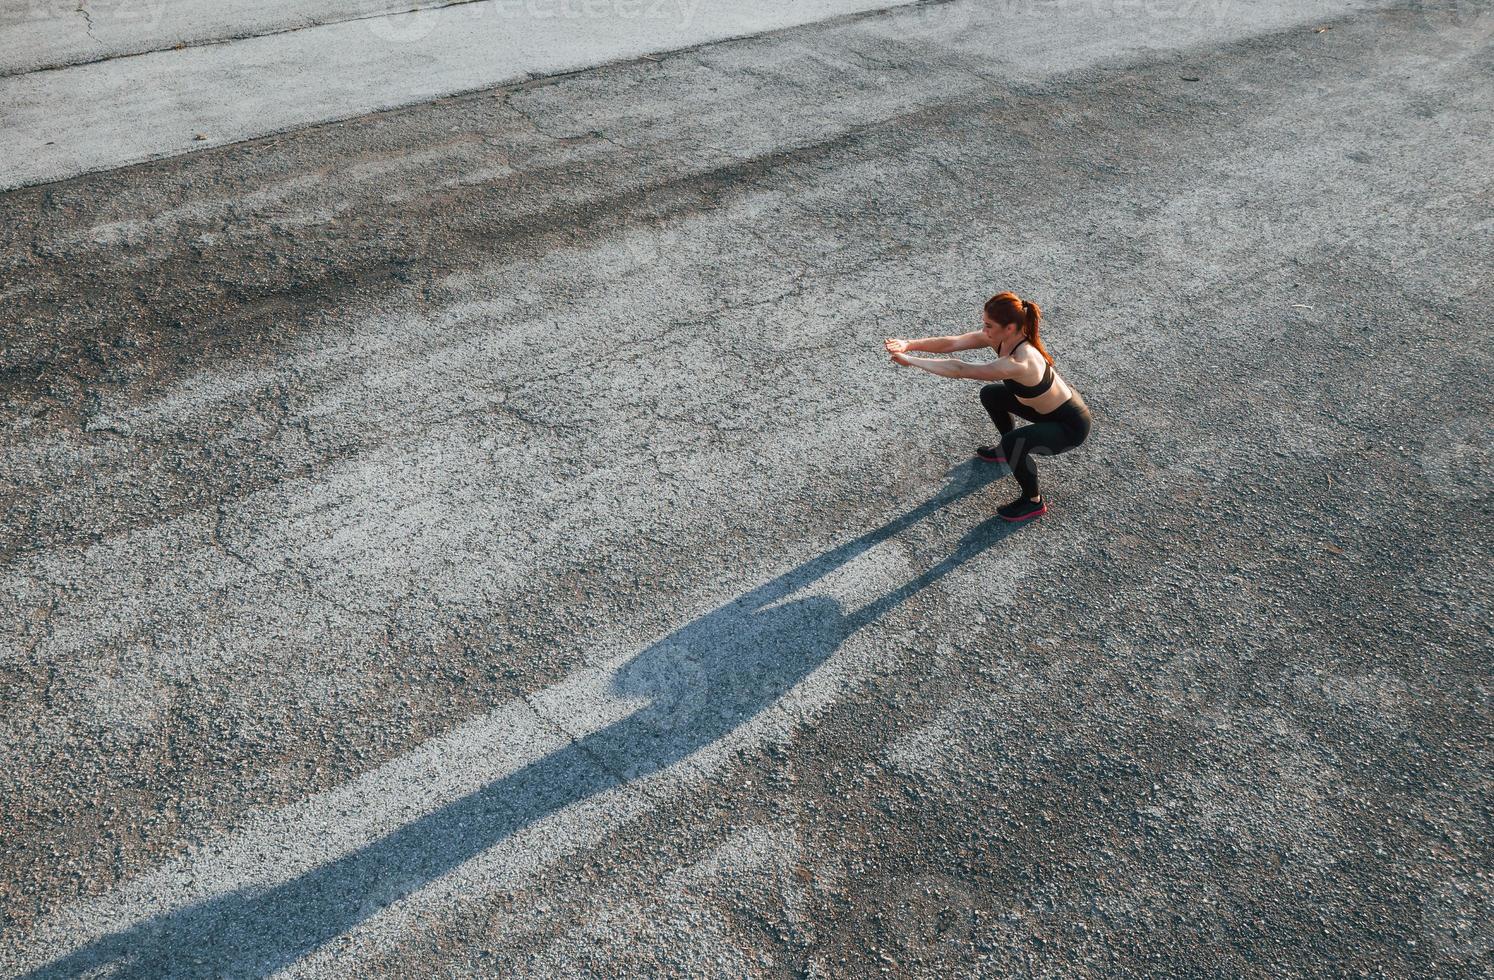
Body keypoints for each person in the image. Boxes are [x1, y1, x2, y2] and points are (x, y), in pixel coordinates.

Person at [883, 291, 1092, 521]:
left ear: (1010, 327)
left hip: (1069, 425)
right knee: (991, 395)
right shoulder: (1001, 338)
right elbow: (953, 343)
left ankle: (1033, 501)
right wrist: (908, 345)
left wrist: (911, 361)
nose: (984, 331)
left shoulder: (1019, 362)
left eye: (988, 325)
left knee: (1014, 443)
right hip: (1043, 410)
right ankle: (1008, 453)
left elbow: (959, 370)